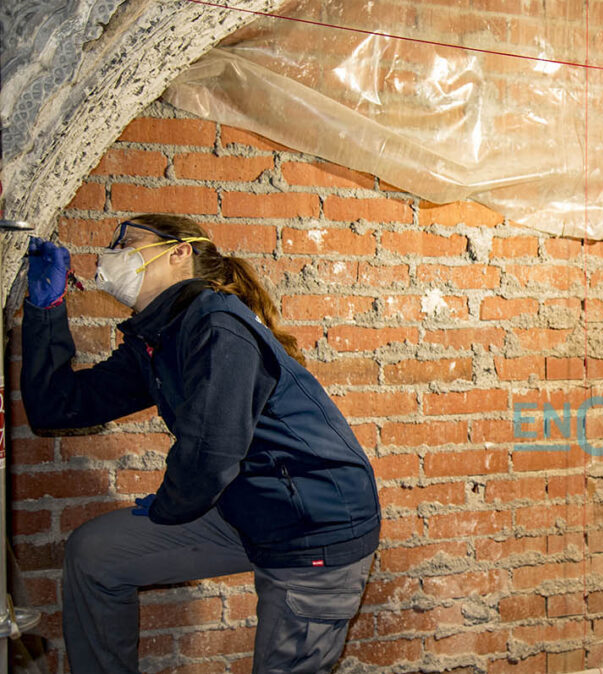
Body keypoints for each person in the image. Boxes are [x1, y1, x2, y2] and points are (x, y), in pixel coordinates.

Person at [22, 215, 381, 673]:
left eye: (128, 242)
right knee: (96, 555)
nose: (112, 254)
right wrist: (46, 309)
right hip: (246, 507)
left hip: (311, 526)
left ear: (180, 252)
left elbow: (212, 452)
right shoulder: (158, 338)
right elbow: (58, 407)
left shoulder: (217, 323)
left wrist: (169, 506)